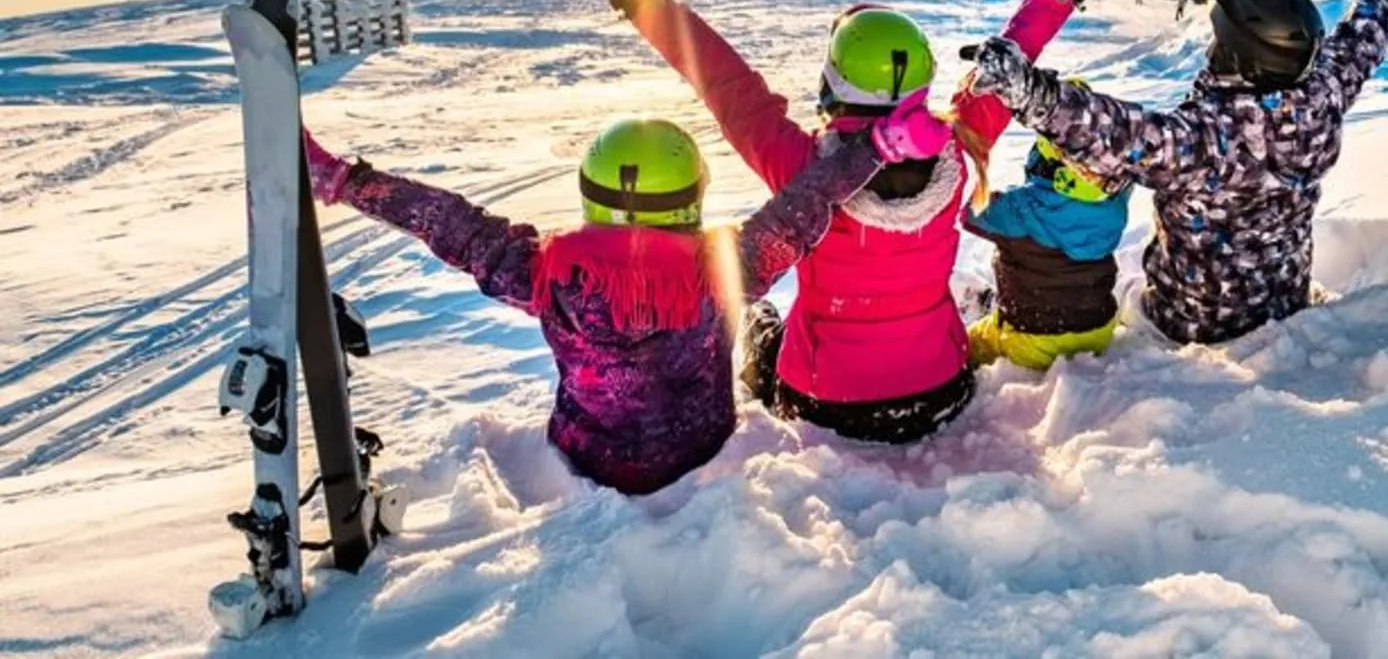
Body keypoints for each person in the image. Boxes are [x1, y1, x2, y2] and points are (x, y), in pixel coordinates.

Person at [590, 0, 1118, 442]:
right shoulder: (959, 150)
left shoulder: (804, 171)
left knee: (761, 327)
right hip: (941, 388)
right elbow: (1010, 62)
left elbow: (727, 85)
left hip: (826, 402)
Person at [299, 92, 948, 494]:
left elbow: (449, 223)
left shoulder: (546, 274)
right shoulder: (726, 270)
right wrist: (878, 147)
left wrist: (346, 182)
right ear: (691, 197)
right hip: (703, 449)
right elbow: (805, 207)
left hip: (591, 461)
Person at [961, 0, 1388, 346]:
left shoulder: (1205, 139)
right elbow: (1365, 32)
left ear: (1237, 53)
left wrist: (1026, 90)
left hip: (1189, 324)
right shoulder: (1324, 95)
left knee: (1118, 307)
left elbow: (1111, 133)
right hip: (1285, 302)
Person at [962, 79, 1133, 371]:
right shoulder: (1113, 203)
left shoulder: (1021, 208)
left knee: (969, 343)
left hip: (1033, 339)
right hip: (1098, 330)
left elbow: (971, 214)